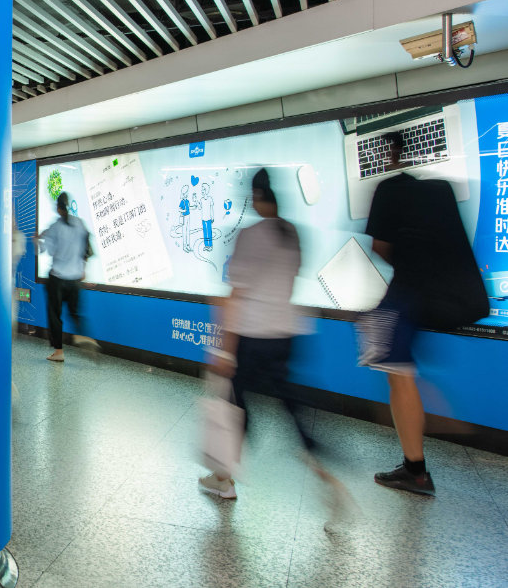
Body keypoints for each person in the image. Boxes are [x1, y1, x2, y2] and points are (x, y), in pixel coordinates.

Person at [200, 169, 348, 507]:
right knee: (291, 407)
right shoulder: (291, 232)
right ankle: (324, 473)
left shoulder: (250, 235)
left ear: (256, 196)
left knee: (233, 407)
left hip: (253, 335)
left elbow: (235, 296)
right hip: (286, 334)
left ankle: (224, 480)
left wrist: (224, 351)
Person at [358, 132, 487, 496]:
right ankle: (419, 454)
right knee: (401, 370)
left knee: (396, 371)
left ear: (389, 155)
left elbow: (381, 247)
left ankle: (416, 470)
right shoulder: (439, 190)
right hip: (452, 295)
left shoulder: (387, 190)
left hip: (408, 293)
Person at [38, 192, 92, 363]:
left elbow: (49, 251)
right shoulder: (80, 224)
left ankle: (59, 351)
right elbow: (87, 249)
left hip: (58, 279)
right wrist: (83, 269)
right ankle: (83, 335)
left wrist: (39, 239)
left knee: (55, 314)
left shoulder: (55, 226)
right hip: (75, 279)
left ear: (58, 208)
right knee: (74, 312)